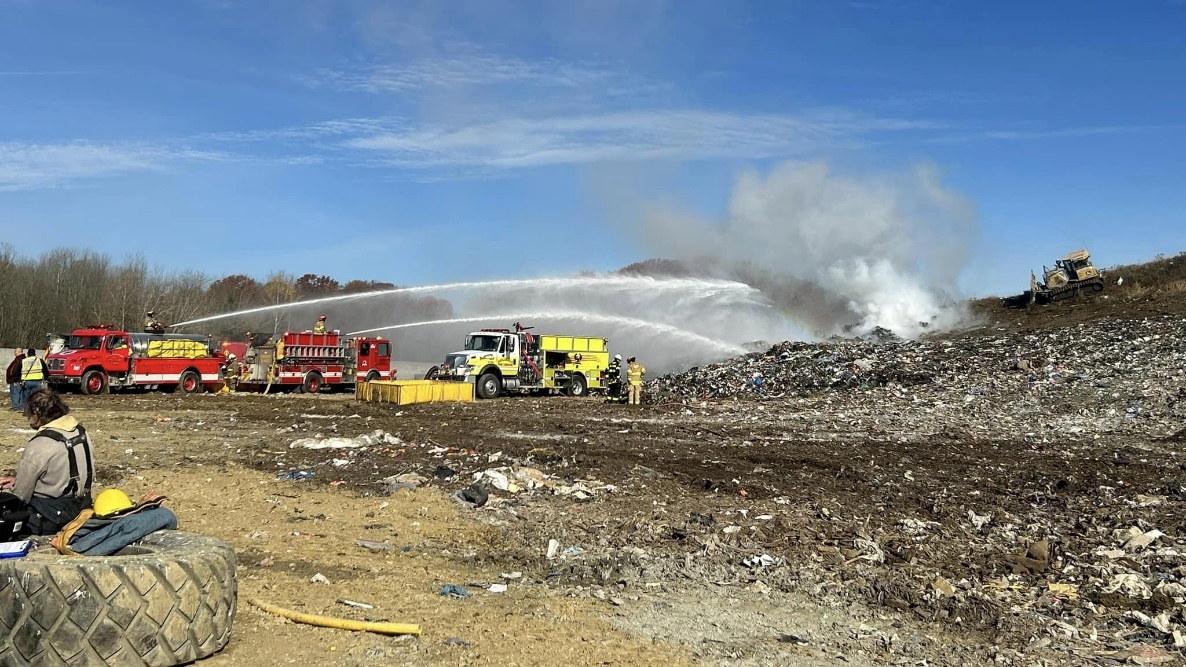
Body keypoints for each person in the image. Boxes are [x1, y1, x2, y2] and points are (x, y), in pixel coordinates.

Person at [0, 388, 94, 537]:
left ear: (37, 414)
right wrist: (16, 479)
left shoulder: (40, 443)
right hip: (83, 507)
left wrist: (16, 485)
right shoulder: (80, 431)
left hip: (52, 516)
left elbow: (20, 495)